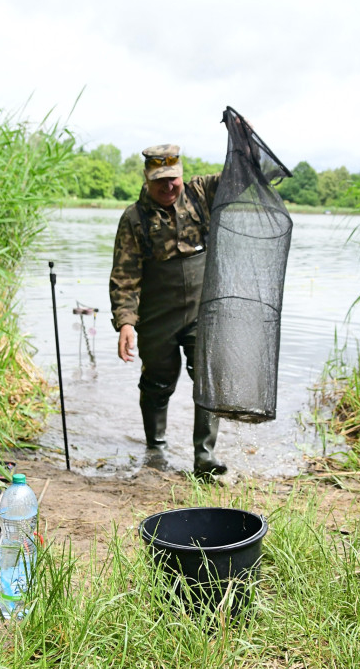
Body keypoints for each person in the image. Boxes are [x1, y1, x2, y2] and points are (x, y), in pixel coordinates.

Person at [109, 144, 227, 478]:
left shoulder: (201, 193)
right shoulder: (133, 219)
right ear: (147, 178)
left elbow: (243, 176)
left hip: (201, 311)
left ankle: (204, 457)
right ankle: (156, 448)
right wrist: (126, 324)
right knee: (158, 382)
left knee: (207, 378)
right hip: (157, 315)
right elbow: (124, 277)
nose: (168, 187)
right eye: (159, 180)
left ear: (181, 174)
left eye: (173, 179)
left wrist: (242, 138)